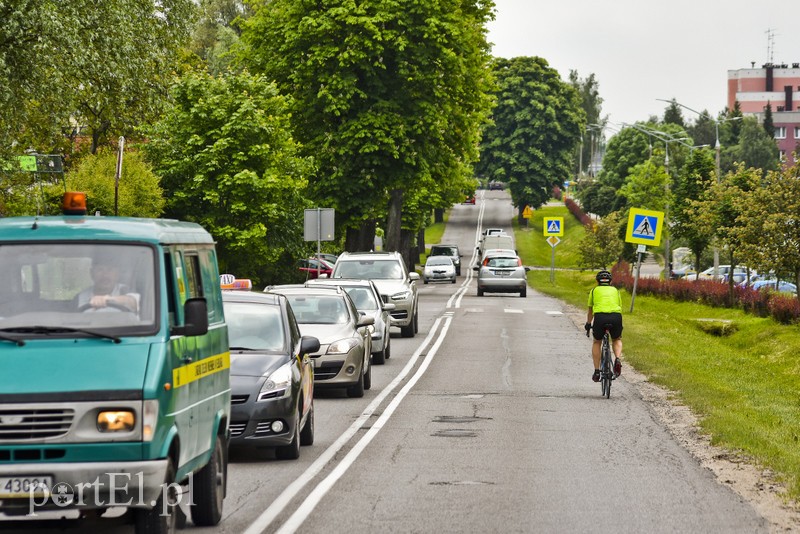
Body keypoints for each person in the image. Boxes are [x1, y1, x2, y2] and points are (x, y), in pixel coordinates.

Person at [585, 269, 623, 382]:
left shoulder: (594, 290)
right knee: (616, 339)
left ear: (597, 281)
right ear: (610, 281)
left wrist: (588, 324)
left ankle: (597, 371)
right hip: (616, 317)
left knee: (597, 341)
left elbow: (590, 310)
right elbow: (619, 307)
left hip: (600, 317)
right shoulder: (616, 290)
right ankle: (617, 359)